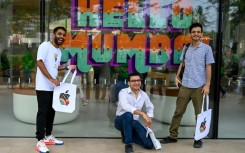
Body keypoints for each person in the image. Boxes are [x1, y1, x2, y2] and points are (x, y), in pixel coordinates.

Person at [160, 23, 215, 148]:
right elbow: (182, 63)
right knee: (178, 112)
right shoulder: (186, 48)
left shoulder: (207, 49)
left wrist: (207, 85)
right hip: (185, 85)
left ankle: (198, 138)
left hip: (199, 86)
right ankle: (173, 136)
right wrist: (177, 76)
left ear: (201, 34)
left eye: (198, 31)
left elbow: (208, 67)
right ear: (190, 34)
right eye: (194, 31)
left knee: (199, 115)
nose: (196, 33)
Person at [35, 26, 76, 153]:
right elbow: (39, 62)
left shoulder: (58, 51)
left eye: (63, 35)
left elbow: (54, 67)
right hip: (43, 86)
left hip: (54, 88)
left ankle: (48, 136)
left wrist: (66, 67)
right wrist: (51, 79)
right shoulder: (45, 46)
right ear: (54, 34)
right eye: (59, 34)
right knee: (43, 112)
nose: (61, 36)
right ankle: (40, 141)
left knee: (51, 112)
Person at [114, 72, 154, 153]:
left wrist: (149, 118)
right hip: (120, 120)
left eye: (138, 80)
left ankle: (127, 135)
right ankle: (128, 144)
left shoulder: (144, 94)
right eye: (133, 81)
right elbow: (126, 106)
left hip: (134, 122)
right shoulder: (123, 92)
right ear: (129, 83)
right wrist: (143, 114)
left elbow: (150, 107)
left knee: (149, 145)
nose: (136, 83)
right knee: (128, 115)